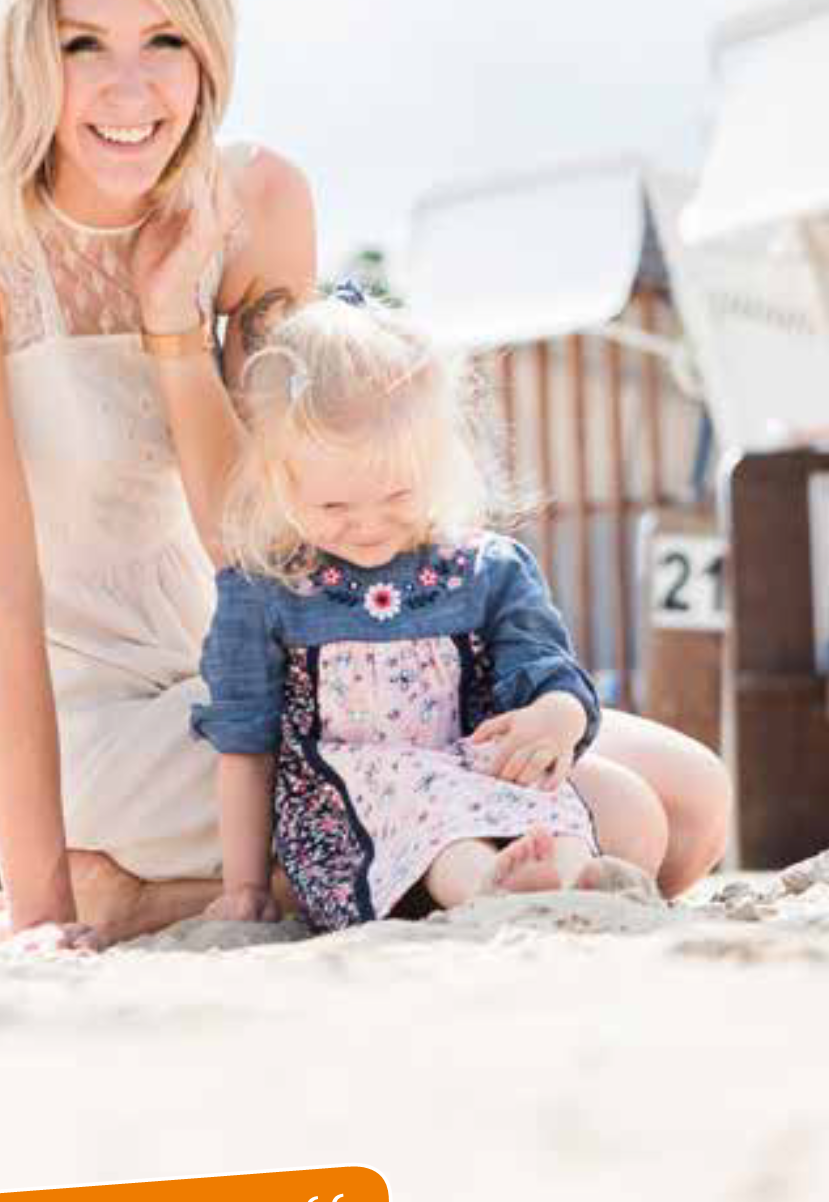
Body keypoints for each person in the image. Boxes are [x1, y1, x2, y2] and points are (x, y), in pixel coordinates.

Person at [0, 0, 316, 946]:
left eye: (166, 37)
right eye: (84, 45)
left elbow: (259, 552)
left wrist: (176, 331)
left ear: (209, 48)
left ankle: (150, 900)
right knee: (588, 810)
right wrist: (44, 909)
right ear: (32, 54)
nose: (131, 87)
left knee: (678, 802)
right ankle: (105, 887)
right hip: (71, 721)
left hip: (231, 672)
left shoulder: (258, 205)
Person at [192, 288, 678, 930]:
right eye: (334, 507)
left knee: (546, 794)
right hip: (355, 807)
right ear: (279, 482)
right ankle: (488, 886)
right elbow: (245, 746)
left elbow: (544, 665)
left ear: (437, 462)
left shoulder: (484, 570)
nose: (367, 525)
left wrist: (555, 718)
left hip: (474, 771)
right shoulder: (267, 591)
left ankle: (566, 874)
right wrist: (245, 885)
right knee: (427, 804)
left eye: (396, 494)